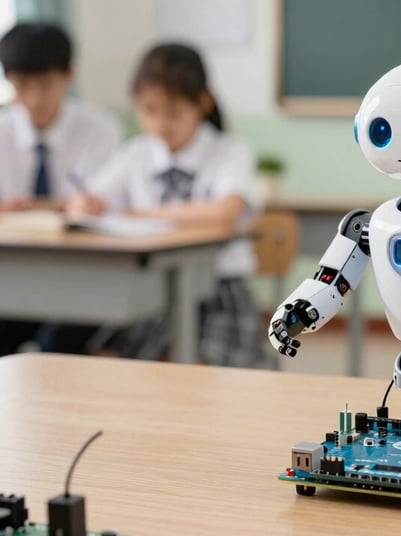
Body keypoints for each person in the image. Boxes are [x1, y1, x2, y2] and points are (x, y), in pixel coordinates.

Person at [67, 43, 264, 367]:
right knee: (110, 364)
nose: (161, 124)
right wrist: (84, 203)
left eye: (173, 112)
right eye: (148, 110)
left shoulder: (229, 151)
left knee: (197, 372)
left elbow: (225, 212)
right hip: (151, 294)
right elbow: (85, 201)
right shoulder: (137, 153)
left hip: (218, 292)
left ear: (203, 102)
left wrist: (138, 214)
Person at [0, 22, 122, 356]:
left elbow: (97, 205)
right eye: (22, 85)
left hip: (83, 278)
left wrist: (33, 207)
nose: (35, 98)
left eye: (45, 84)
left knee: (61, 341)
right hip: (12, 277)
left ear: (70, 75)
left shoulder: (101, 129)